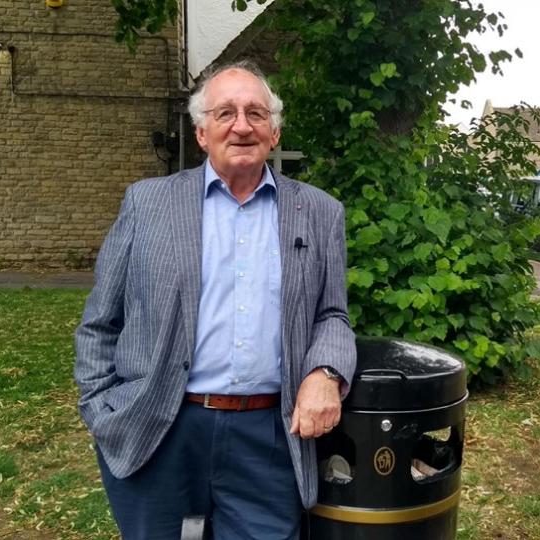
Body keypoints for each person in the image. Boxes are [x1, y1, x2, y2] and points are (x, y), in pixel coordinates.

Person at [74, 60, 357, 540]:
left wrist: (325, 372)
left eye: (256, 114)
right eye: (225, 113)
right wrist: (102, 410)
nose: (242, 126)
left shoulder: (319, 212)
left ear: (274, 131)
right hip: (159, 425)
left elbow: (332, 314)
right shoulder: (148, 203)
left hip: (267, 433)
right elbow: (101, 321)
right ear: (202, 132)